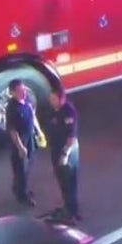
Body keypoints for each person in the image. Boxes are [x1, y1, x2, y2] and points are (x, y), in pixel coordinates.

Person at [46, 88, 81, 221]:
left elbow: (71, 137)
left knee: (69, 182)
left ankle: (71, 212)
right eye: (50, 99)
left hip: (68, 152)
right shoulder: (53, 111)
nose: (51, 101)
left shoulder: (68, 112)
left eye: (53, 99)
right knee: (62, 181)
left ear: (61, 98)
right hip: (56, 149)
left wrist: (64, 155)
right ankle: (68, 207)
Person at [5, 79, 39, 206]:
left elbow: (32, 115)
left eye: (24, 89)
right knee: (21, 170)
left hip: (30, 139)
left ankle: (18, 188)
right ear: (12, 93)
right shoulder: (11, 108)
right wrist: (20, 147)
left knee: (28, 166)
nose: (23, 92)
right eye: (19, 91)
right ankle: (22, 195)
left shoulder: (27, 99)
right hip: (21, 143)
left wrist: (39, 132)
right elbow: (12, 131)